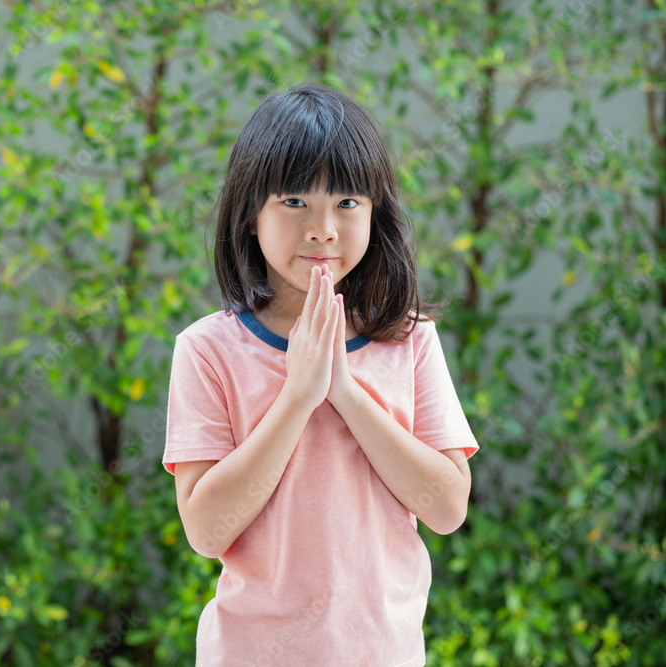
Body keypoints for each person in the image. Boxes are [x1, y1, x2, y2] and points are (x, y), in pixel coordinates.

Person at [161, 83, 480, 666]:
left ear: (374, 214)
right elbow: (206, 532)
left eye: (347, 203)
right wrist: (298, 396)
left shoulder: (409, 341)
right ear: (249, 214)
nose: (323, 228)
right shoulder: (206, 350)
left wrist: (345, 394)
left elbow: (447, 507)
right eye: (294, 202)